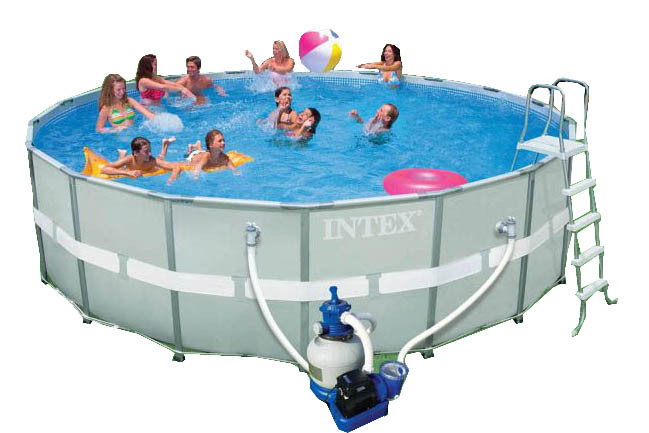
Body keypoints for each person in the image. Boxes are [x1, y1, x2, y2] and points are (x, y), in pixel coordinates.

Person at [101, 137, 181, 184]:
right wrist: (127, 173)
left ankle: (165, 145)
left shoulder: (152, 160)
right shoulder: (129, 159)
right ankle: (122, 155)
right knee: (122, 167)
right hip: (129, 168)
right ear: (136, 153)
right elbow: (104, 169)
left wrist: (170, 181)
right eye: (146, 151)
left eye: (150, 150)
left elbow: (176, 167)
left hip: (153, 169)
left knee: (160, 159)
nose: (150, 153)